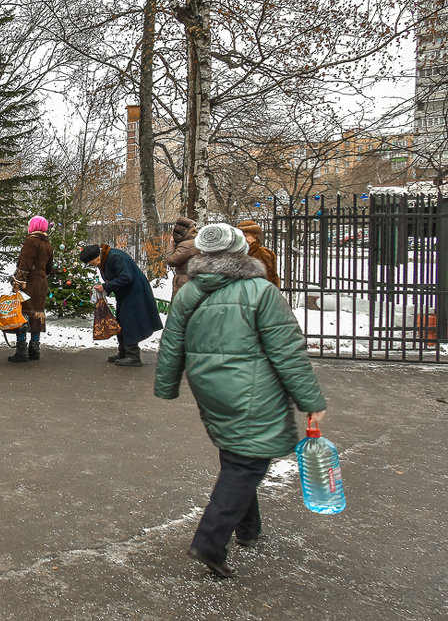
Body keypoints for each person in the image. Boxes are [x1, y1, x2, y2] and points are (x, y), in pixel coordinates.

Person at [155, 222, 328, 578]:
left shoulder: (189, 291)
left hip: (210, 389)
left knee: (238, 454)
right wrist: (310, 399)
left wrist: (167, 385)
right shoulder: (260, 290)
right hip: (252, 390)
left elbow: (171, 342)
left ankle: (249, 530)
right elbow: (287, 350)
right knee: (246, 463)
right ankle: (209, 541)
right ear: (239, 251)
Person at [80, 242, 163, 367]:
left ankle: (133, 356)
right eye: (93, 263)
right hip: (127, 293)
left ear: (100, 254)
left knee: (129, 322)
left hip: (134, 293)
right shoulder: (106, 257)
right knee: (122, 320)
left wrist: (106, 286)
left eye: (96, 261)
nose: (96, 264)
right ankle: (123, 352)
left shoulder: (115, 257)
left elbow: (126, 277)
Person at [8, 216, 53, 363]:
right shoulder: (47, 244)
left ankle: (21, 350)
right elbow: (49, 268)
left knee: (23, 313)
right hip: (41, 283)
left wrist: (18, 283)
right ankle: (35, 349)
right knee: (37, 314)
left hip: (29, 284)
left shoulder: (31, 241)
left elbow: (25, 265)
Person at [237, 220, 281, 288]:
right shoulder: (237, 252)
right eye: (241, 236)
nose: (243, 239)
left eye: (246, 236)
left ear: (255, 237)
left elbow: (270, 278)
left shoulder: (262, 253)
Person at [164, 216, 200, 299]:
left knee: (179, 305)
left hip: (184, 281)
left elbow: (171, 260)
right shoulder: (195, 241)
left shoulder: (186, 245)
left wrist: (171, 243)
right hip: (191, 280)